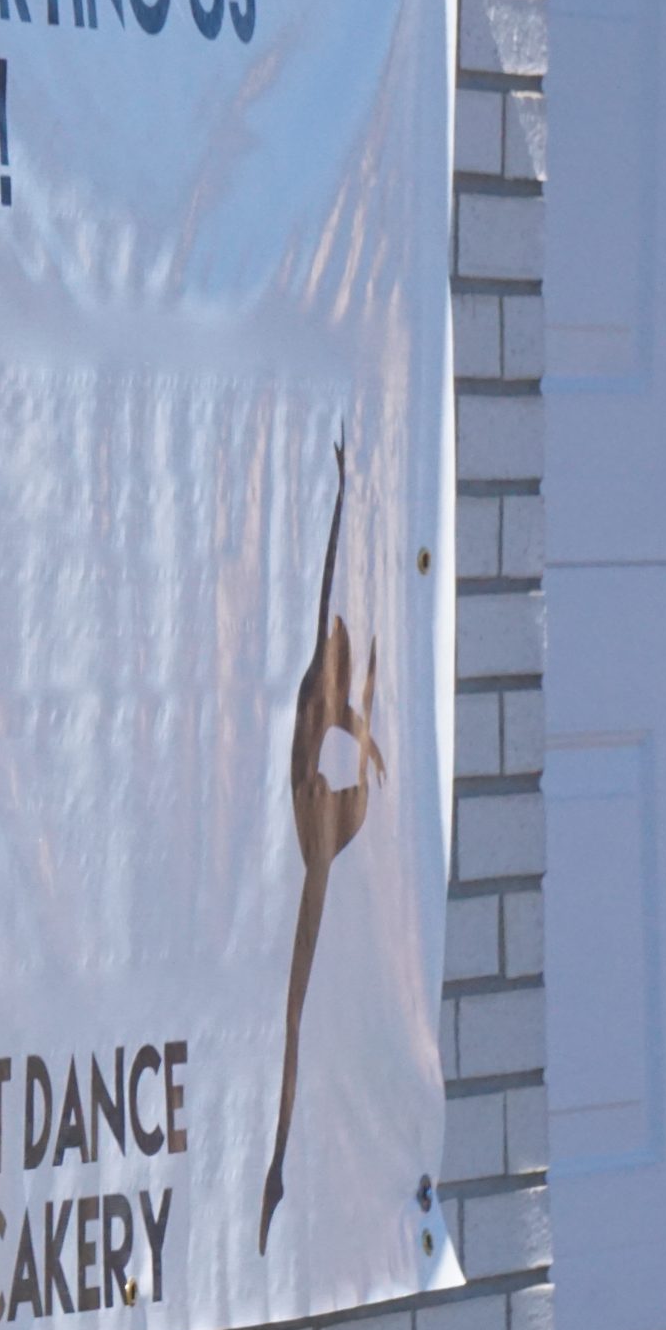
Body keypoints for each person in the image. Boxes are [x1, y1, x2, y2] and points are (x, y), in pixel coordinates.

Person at [261, 437, 386, 1255]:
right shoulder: (319, 682)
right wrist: (342, 490)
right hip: (314, 817)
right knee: (292, 1003)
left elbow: (358, 722)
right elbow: (324, 586)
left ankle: (279, 1155)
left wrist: (362, 745)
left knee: (299, 1005)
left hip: (324, 824)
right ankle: (274, 1156)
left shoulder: (334, 697)